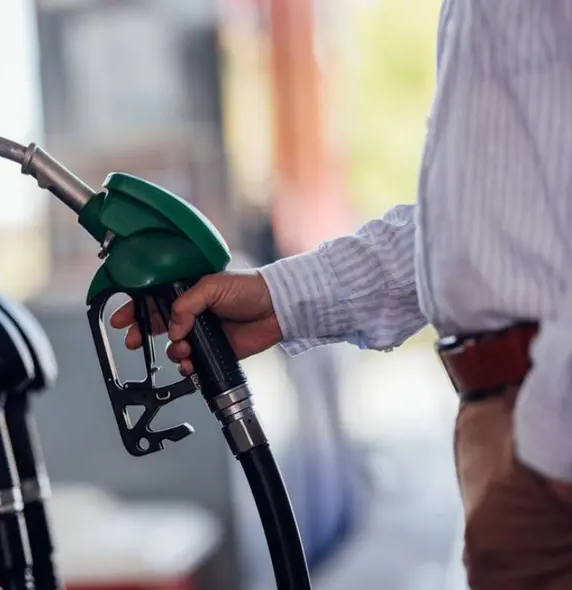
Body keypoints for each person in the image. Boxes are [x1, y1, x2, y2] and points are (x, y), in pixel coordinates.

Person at [111, 1, 572, 588]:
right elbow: (476, 224)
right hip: (515, 418)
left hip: (544, 427)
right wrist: (281, 297)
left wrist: (551, 439)